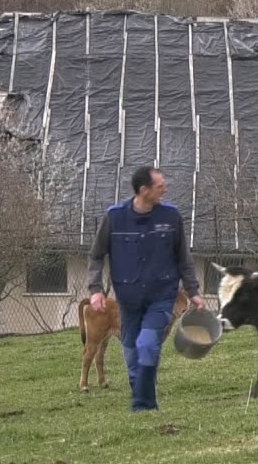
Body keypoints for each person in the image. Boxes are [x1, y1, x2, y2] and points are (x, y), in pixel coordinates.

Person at [88, 167, 206, 412]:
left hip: (162, 297)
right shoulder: (115, 217)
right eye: (160, 186)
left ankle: (142, 406)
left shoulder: (171, 217)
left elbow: (184, 258)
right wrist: (96, 289)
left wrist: (193, 291)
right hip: (129, 300)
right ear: (144, 191)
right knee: (132, 356)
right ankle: (145, 401)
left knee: (147, 344)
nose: (165, 189)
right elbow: (96, 255)